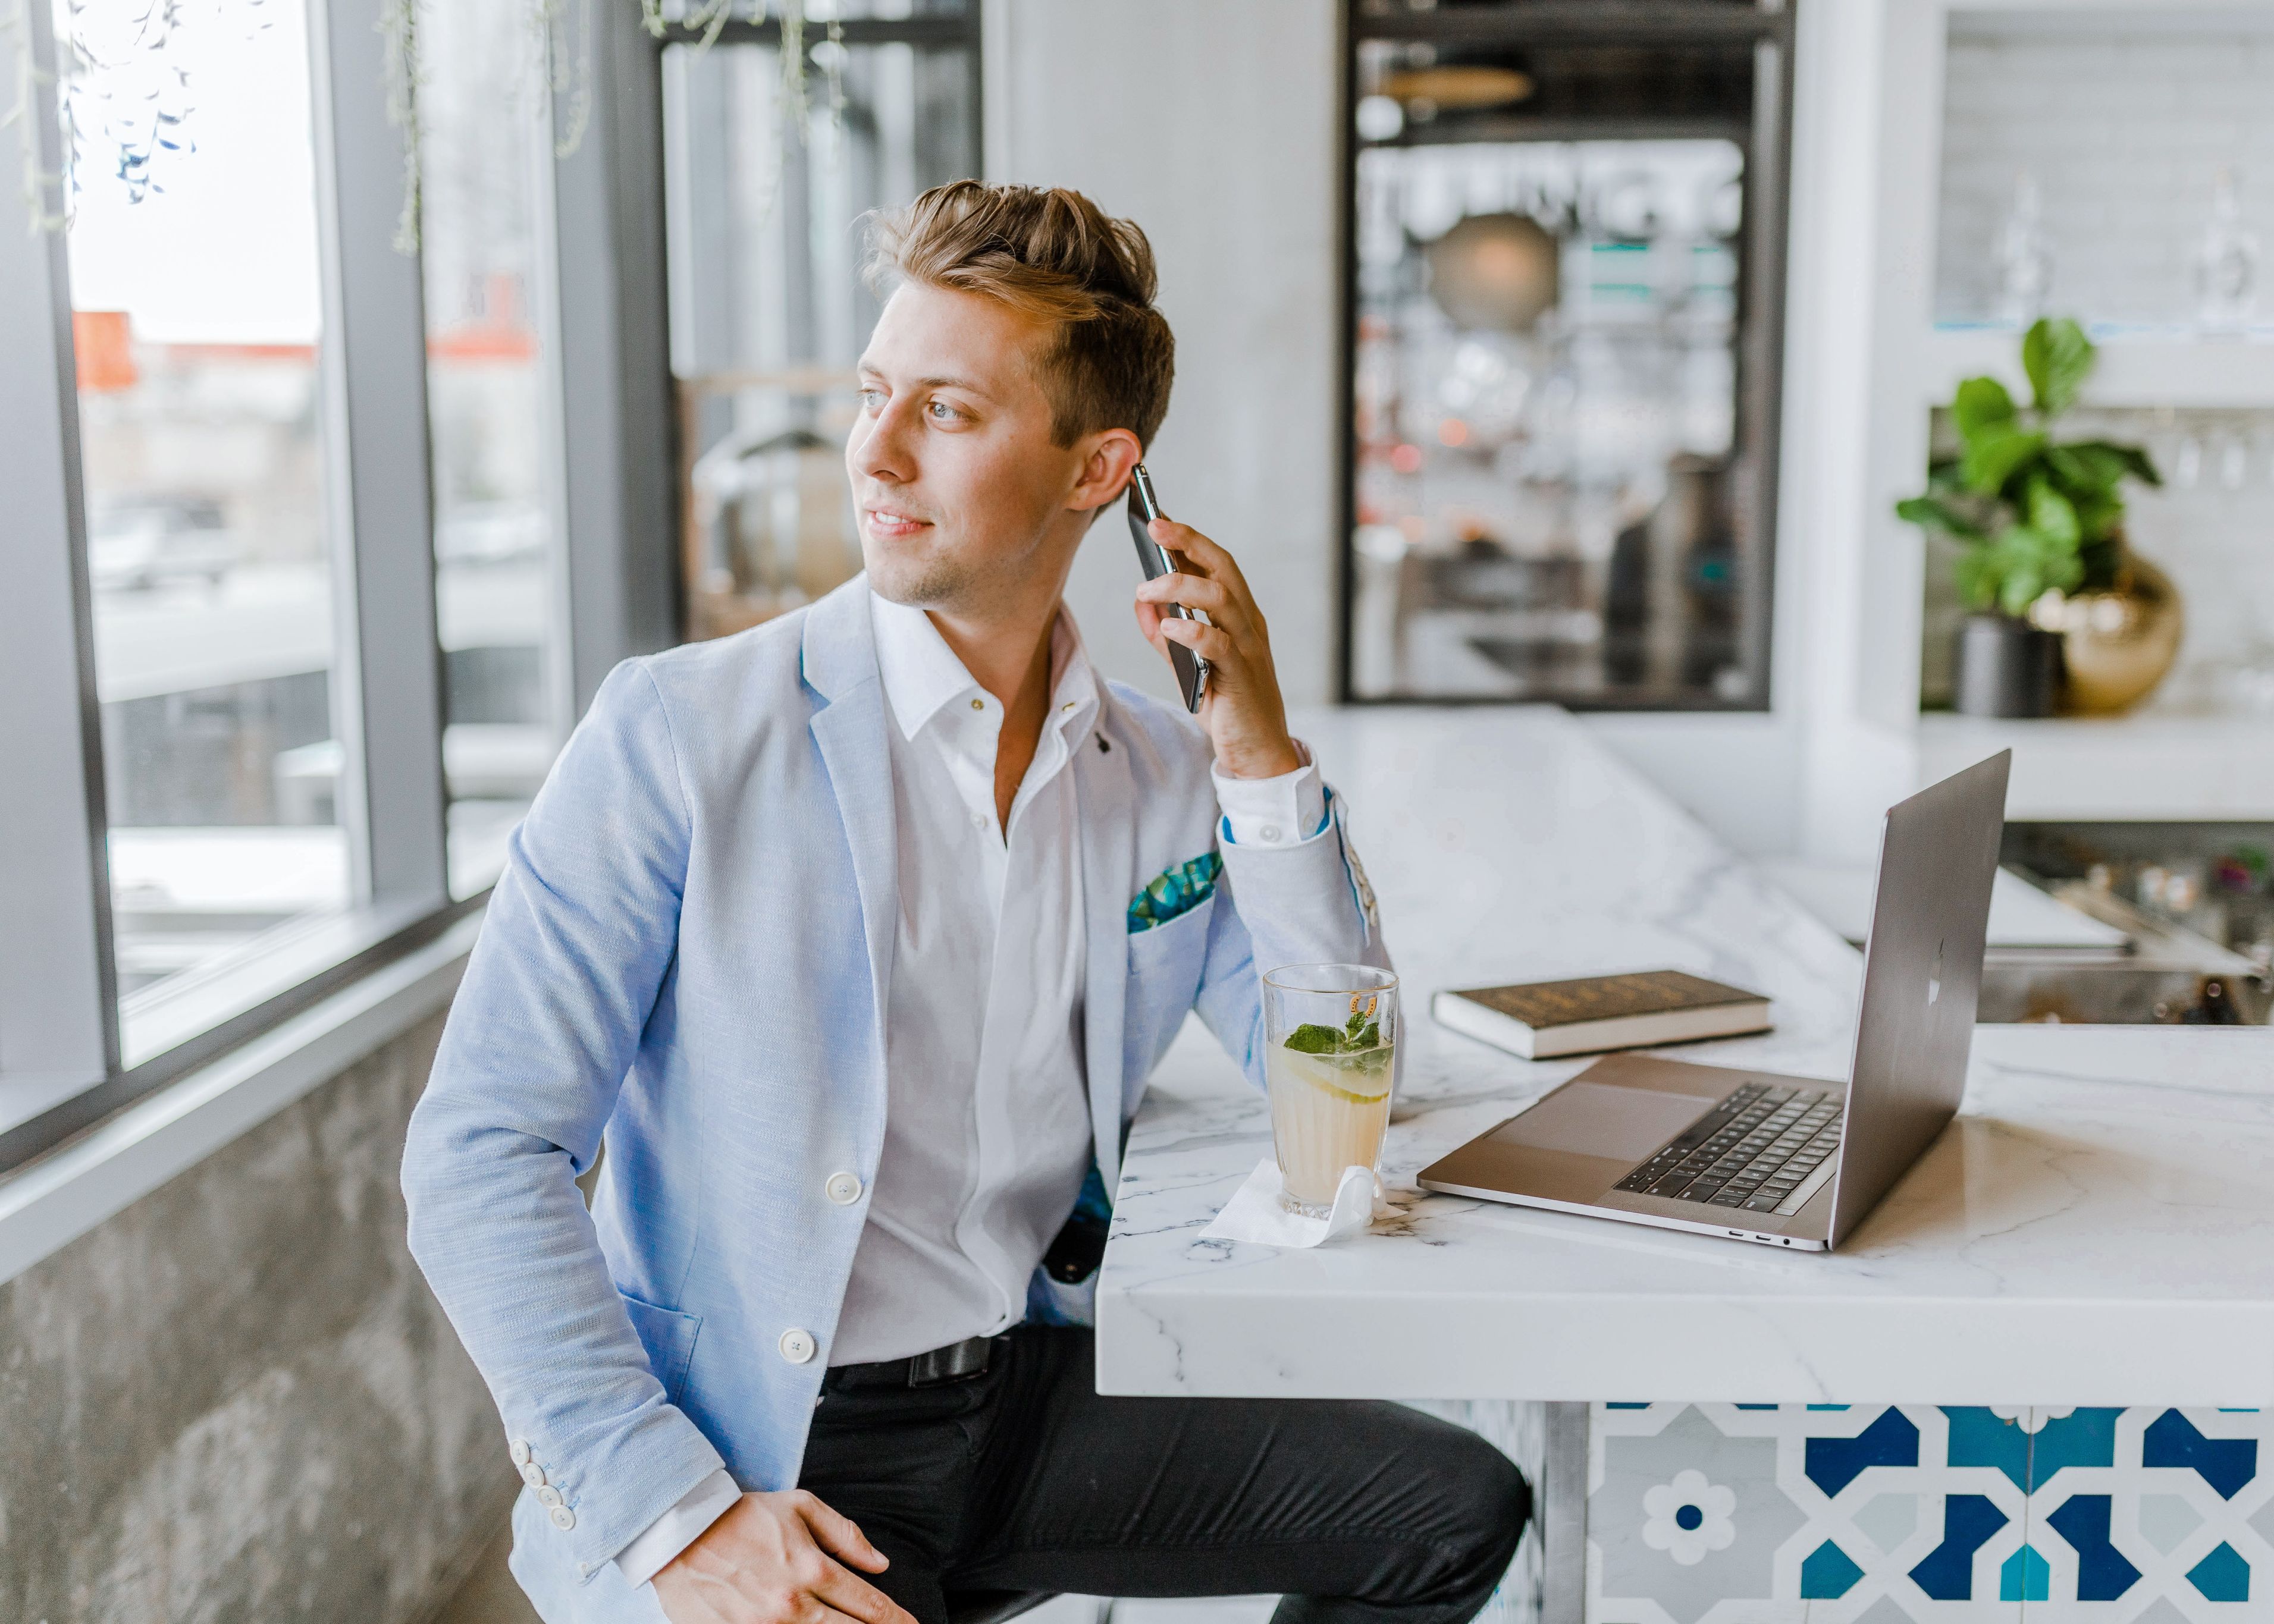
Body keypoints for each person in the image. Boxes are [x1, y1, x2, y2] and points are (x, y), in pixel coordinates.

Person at [402, 181, 1528, 1624]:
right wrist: (672, 1514)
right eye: (874, 394)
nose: (869, 450)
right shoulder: (678, 734)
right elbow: (481, 1153)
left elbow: (1341, 1083)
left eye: (943, 411)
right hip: (771, 1454)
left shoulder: (1161, 770)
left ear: (1096, 469)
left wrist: (1256, 752)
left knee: (1450, 1514)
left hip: (1020, 1395)